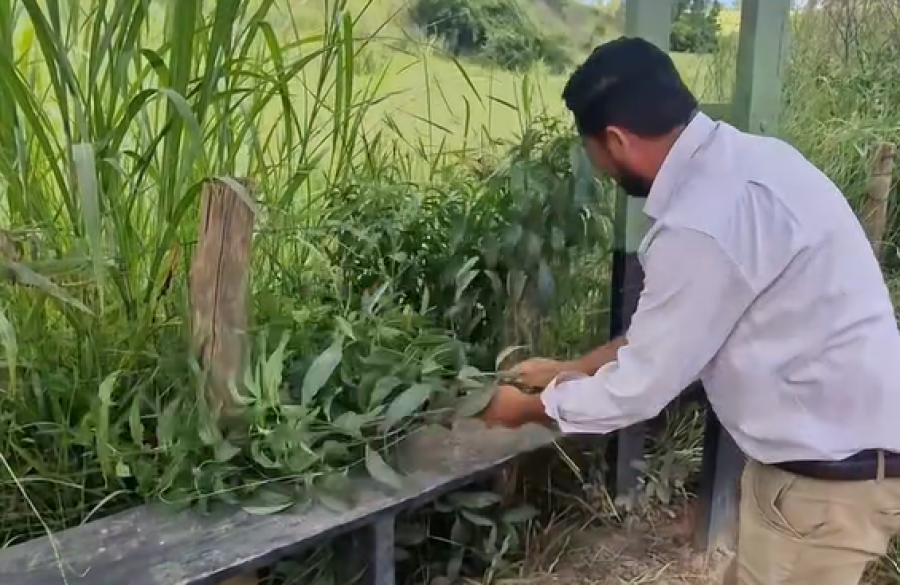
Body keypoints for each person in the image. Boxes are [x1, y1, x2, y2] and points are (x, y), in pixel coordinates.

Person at [479, 36, 900, 585]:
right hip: (836, 463)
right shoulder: (759, 160)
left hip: (824, 484)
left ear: (614, 140)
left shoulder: (701, 224)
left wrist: (522, 410)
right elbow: (674, 334)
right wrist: (572, 369)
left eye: (594, 154)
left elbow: (640, 389)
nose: (601, 170)